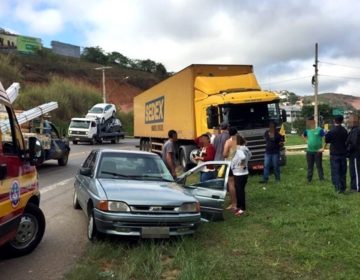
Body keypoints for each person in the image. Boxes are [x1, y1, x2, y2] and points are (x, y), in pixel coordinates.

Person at [324, 115, 348, 193]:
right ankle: (343, 188)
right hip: (343, 153)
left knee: (335, 171)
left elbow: (327, 140)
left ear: (334, 121)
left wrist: (326, 133)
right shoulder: (345, 131)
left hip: (334, 154)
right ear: (342, 121)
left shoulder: (332, 131)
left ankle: (337, 188)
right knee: (343, 171)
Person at [231, 134, 252, 216]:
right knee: (240, 190)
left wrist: (242, 163)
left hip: (239, 173)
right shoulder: (245, 148)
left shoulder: (238, 149)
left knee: (240, 191)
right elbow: (250, 155)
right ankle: (239, 206)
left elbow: (242, 157)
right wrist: (245, 163)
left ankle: (242, 208)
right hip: (244, 172)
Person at [303, 117, 325, 182]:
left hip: (318, 151)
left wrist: (323, 148)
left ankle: (321, 179)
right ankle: (309, 179)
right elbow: (303, 135)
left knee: (319, 165)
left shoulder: (319, 130)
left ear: (314, 122)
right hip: (309, 151)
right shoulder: (307, 130)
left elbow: (325, 138)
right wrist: (307, 141)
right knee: (310, 166)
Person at [223, 127, 238, 211]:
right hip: (239, 165)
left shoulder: (228, 142)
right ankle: (240, 202)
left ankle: (234, 204)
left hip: (230, 164)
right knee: (238, 184)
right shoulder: (240, 141)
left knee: (231, 184)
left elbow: (224, 154)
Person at [346, 115, 360, 192]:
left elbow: (353, 143)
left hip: (355, 154)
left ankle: (356, 188)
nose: (348, 122)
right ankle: (354, 186)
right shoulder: (354, 130)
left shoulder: (355, 131)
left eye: (350, 121)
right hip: (355, 154)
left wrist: (347, 150)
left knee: (355, 171)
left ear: (354, 122)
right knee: (354, 170)